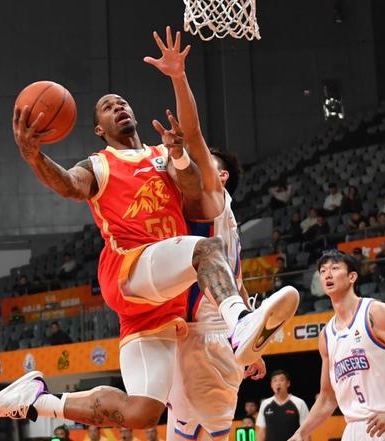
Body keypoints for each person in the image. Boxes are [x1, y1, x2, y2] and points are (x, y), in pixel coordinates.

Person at [0, 28, 297, 429]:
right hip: (130, 268)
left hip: (160, 302)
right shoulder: (99, 163)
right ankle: (241, 322)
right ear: (99, 128)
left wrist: (179, 156)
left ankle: (39, 401)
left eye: (122, 103)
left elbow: (193, 187)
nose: (118, 108)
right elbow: (70, 185)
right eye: (108, 107)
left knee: (142, 412)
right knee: (205, 248)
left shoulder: (163, 154)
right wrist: (34, 157)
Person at [144, 27, 291, 441]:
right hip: (211, 334)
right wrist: (250, 344)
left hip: (204, 335)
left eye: (207, 162)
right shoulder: (222, 216)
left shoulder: (213, 198)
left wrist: (178, 78)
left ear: (220, 175)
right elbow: (236, 286)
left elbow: (192, 133)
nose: (199, 163)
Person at [288, 250, 385, 441]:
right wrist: (301, 433)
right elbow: (327, 398)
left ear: (352, 277)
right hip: (354, 427)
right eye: (323, 271)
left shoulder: (375, 313)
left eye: (334, 268)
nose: (327, 274)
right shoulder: (326, 336)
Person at [255, 370, 309, 441]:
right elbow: (262, 432)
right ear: (271, 385)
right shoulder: (265, 404)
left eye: (281, 380)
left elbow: (306, 431)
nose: (278, 383)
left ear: (288, 383)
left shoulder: (299, 403)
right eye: (275, 380)